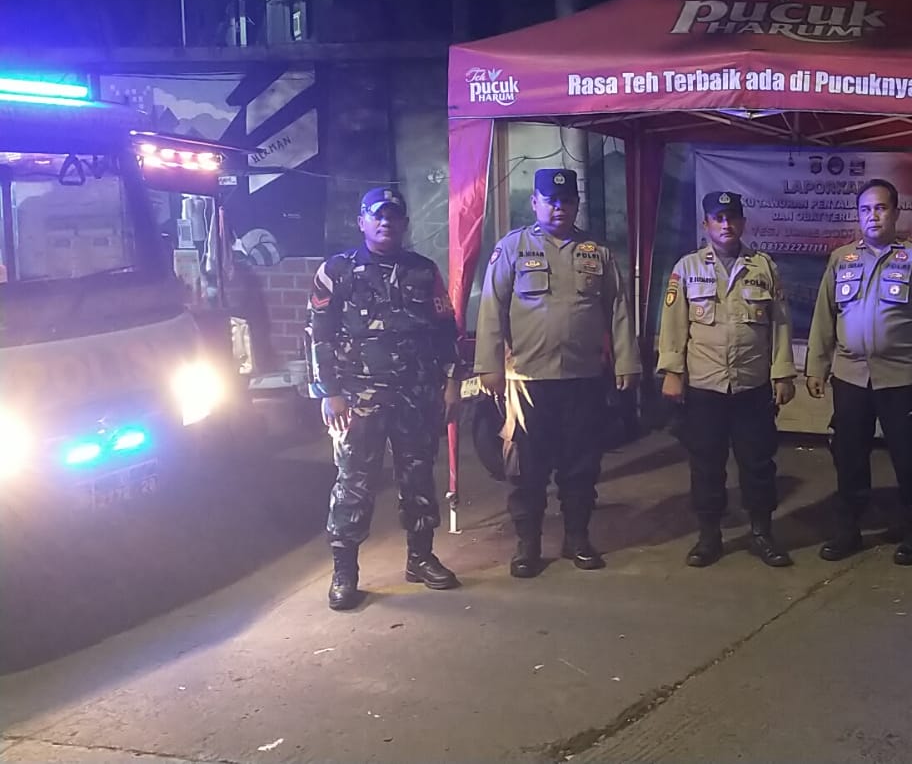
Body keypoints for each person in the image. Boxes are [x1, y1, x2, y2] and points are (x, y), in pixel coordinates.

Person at [307, 187, 468, 611]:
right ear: (361, 221)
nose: (386, 223)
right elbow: (319, 335)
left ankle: (421, 558)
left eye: (394, 216)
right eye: (378, 216)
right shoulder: (337, 271)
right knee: (354, 484)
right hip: (358, 399)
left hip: (416, 394)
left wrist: (452, 382)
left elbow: (446, 330)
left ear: (404, 223)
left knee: (418, 477)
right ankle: (345, 572)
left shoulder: (423, 271)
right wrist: (330, 392)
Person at [476, 169, 641, 577]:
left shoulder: (596, 252)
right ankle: (528, 544)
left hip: (583, 378)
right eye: (550, 200)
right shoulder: (512, 247)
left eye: (567, 201)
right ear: (535, 202)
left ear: (576, 205)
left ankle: (577, 539)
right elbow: (491, 309)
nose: (559, 208)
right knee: (527, 468)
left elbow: (619, 309)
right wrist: (489, 366)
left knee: (581, 464)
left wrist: (627, 361)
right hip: (528, 380)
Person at [805, 179, 912, 564]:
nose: (873, 216)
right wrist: (816, 366)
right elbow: (824, 316)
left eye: (881, 208)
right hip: (850, 375)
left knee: (909, 457)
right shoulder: (842, 258)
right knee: (849, 457)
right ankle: (848, 530)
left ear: (896, 212)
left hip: (902, 377)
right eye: (866, 209)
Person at [657, 192, 798, 568]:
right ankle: (709, 537)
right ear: (705, 224)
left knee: (758, 464)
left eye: (732, 217)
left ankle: (762, 533)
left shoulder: (763, 267)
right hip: (705, 387)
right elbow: (673, 326)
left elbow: (781, 324)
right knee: (706, 465)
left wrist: (783, 372)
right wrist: (673, 372)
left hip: (752, 386)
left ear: (743, 222)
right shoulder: (687, 268)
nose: (726, 224)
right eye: (718, 218)